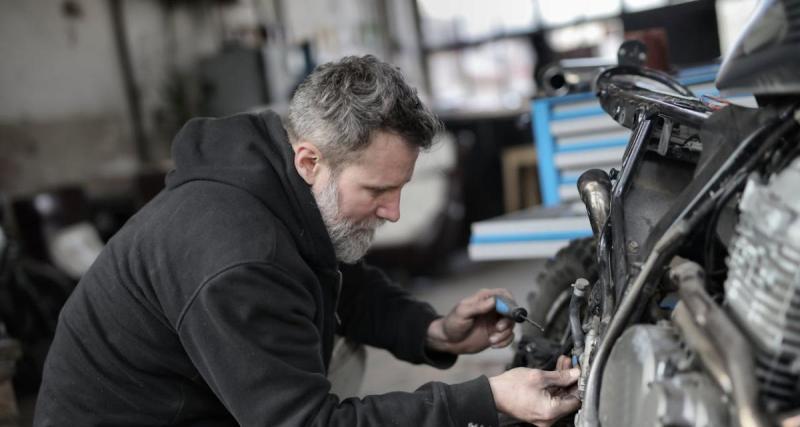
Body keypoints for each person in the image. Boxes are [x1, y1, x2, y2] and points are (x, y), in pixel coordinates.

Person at [34, 55, 579, 426]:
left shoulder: (276, 186)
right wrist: (484, 399)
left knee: (345, 339)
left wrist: (433, 331)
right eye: (378, 190)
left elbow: (340, 279)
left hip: (188, 398)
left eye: (400, 190)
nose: (392, 212)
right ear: (310, 160)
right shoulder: (238, 256)